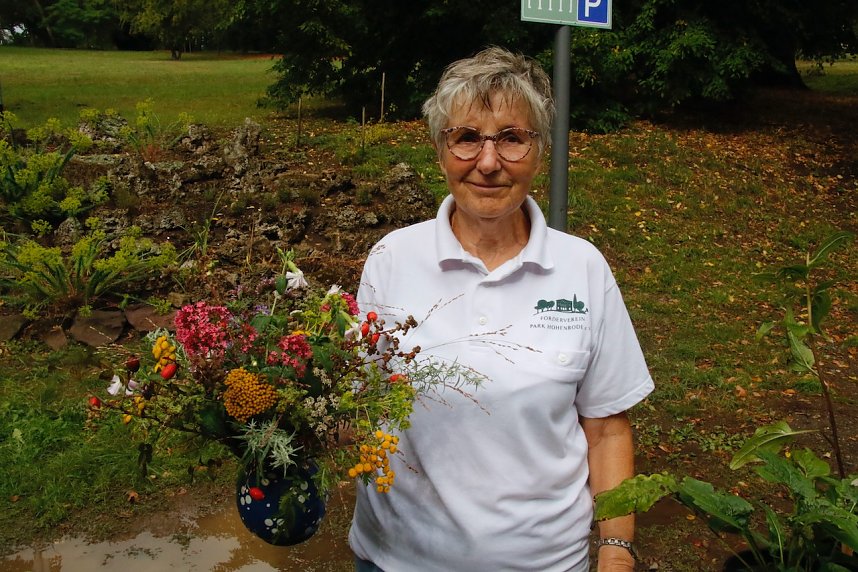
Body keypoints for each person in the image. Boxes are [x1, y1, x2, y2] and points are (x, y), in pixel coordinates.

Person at [349, 46, 654, 572]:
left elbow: (606, 428)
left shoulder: (582, 268)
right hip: (396, 560)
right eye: (466, 137)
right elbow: (356, 404)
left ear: (540, 151)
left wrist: (616, 551)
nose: (488, 163)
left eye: (512, 138)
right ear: (440, 150)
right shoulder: (392, 259)